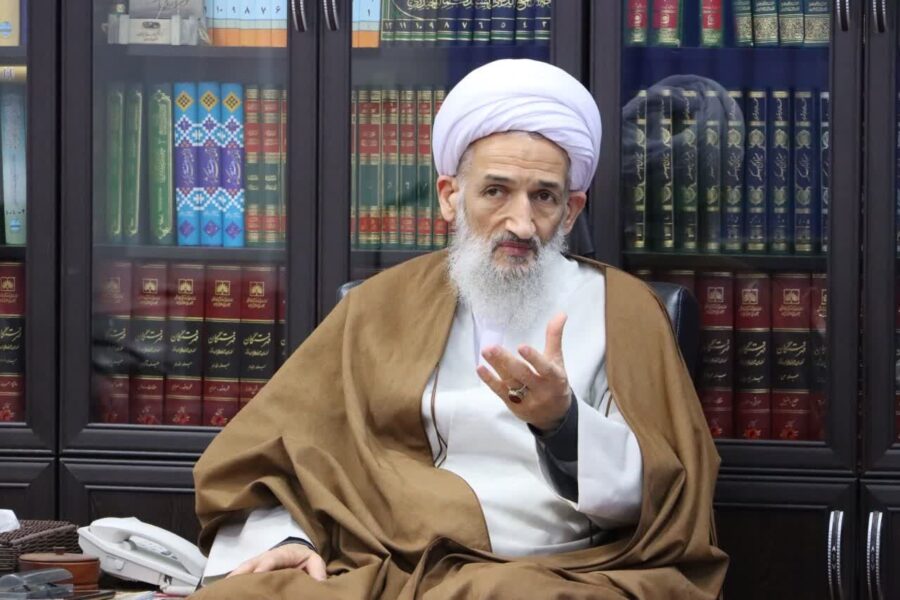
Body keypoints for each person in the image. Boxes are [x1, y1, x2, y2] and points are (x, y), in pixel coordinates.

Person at [191, 59, 728, 599]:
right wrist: (289, 536)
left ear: (571, 211)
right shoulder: (381, 304)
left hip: (546, 571)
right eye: (496, 191)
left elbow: (659, 498)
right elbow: (282, 452)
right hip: (380, 560)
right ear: (450, 196)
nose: (521, 223)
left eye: (544, 196)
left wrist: (561, 424)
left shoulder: (625, 310)